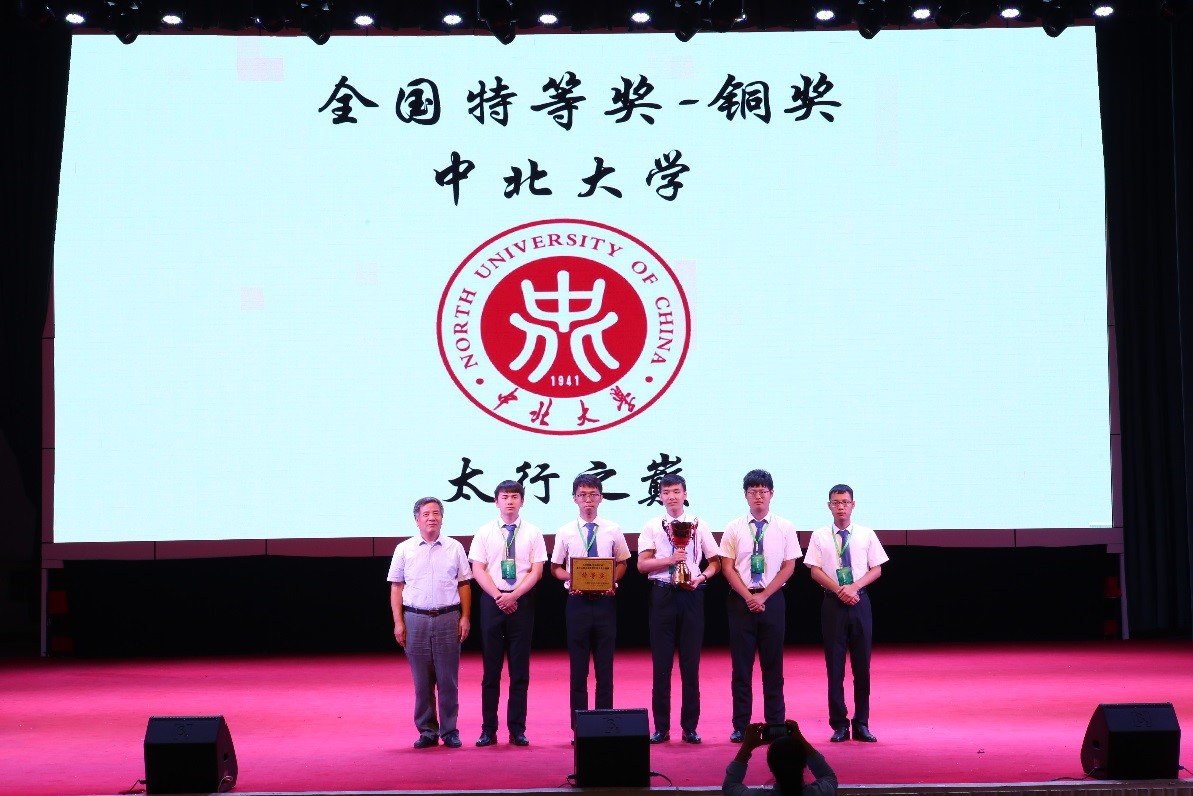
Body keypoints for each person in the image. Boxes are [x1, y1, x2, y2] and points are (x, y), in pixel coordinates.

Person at [637, 473, 722, 744]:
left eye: (676, 491)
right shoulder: (652, 526)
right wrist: (670, 560)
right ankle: (661, 727)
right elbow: (642, 565)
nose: (671, 496)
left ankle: (690, 727)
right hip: (662, 595)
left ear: (685, 494)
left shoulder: (699, 524)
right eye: (666, 492)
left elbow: (715, 562)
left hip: (691, 595)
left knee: (690, 665)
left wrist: (702, 577)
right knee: (661, 665)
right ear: (660, 496)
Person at [720, 469, 802, 743]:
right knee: (741, 668)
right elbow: (727, 567)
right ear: (745, 495)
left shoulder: (785, 527)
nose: (758, 496)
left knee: (773, 666)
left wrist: (764, 596)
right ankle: (741, 725)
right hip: (741, 601)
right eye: (752, 491)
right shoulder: (734, 527)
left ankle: (776, 723)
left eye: (762, 491)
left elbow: (789, 566)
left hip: (772, 600)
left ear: (771, 494)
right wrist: (748, 596)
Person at [804, 484, 888, 743]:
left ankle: (862, 723)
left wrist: (854, 587)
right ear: (829, 506)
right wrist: (840, 589)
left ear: (853, 505)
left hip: (860, 601)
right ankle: (839, 724)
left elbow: (877, 569)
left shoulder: (866, 534)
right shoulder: (820, 535)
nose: (840, 507)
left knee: (862, 667)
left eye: (845, 502)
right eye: (836, 502)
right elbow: (814, 570)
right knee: (835, 667)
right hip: (833, 604)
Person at [387, 496, 472, 749]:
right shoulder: (404, 549)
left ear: (442, 518)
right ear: (417, 520)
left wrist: (465, 617)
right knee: (422, 682)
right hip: (415, 619)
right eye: (426, 514)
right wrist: (398, 622)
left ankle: (450, 731)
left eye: (436, 513)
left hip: (448, 617)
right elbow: (396, 587)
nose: (431, 518)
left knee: (448, 680)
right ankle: (427, 730)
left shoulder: (455, 547)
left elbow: (464, 584)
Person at [468, 480, 547, 747]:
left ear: (522, 501)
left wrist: (514, 596)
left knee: (519, 670)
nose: (510, 501)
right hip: (492, 601)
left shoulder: (533, 532)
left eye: (515, 496)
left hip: (522, 601)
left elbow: (537, 571)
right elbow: (477, 569)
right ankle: (488, 729)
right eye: (505, 497)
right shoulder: (484, 532)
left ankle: (517, 729)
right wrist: (499, 596)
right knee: (491, 671)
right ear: (496, 502)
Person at [550, 473, 631, 727]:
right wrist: (571, 579)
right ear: (574, 498)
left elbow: (622, 563)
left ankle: (604, 725)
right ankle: (580, 727)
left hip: (605, 603)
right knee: (578, 669)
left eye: (593, 494)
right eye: (582, 495)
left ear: (601, 498)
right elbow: (555, 568)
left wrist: (612, 581)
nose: (588, 500)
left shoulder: (613, 529)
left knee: (605, 669)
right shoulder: (565, 531)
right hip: (577, 604)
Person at [722, 720, 838, 796]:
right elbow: (828, 776)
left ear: (770, 766)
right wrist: (801, 740)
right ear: (804, 763)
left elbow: (730, 786)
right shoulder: (822, 792)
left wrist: (747, 747)